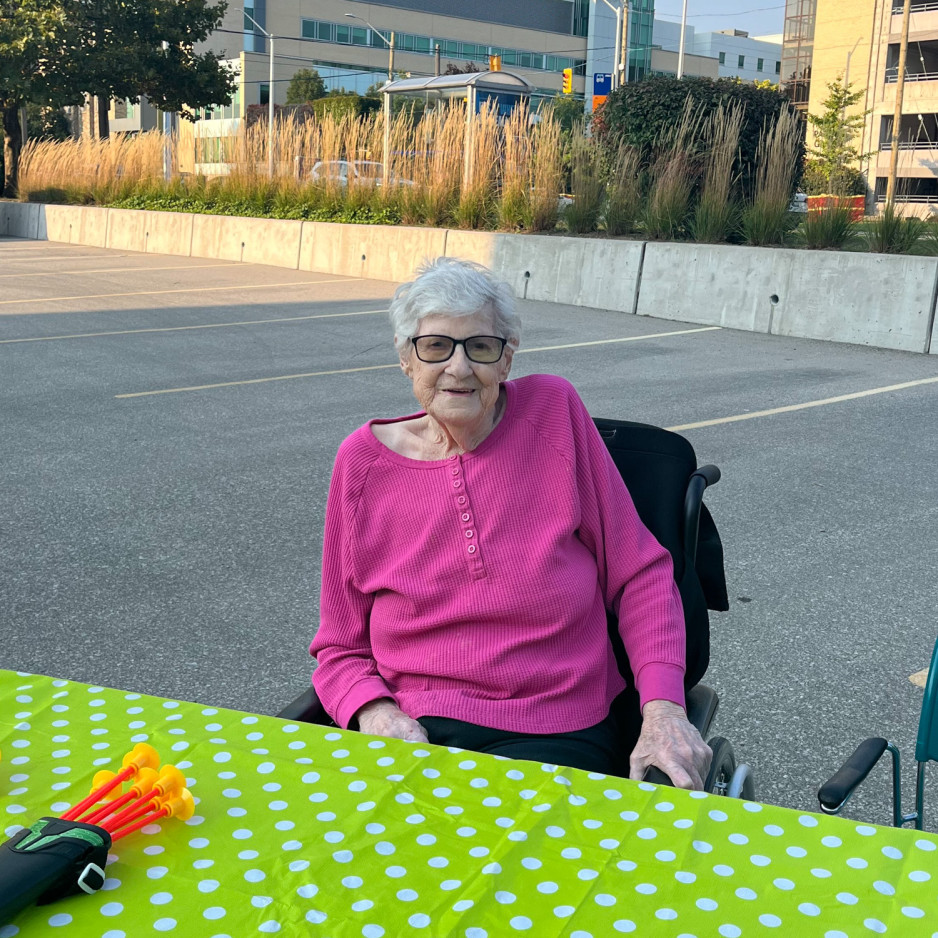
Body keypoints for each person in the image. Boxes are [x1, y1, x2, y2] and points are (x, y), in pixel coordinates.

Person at [310, 258, 712, 788]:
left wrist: (664, 711)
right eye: (435, 346)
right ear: (406, 359)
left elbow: (640, 574)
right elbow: (339, 646)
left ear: (507, 359)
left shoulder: (553, 414)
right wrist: (374, 712)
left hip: (557, 724)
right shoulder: (360, 463)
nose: (457, 368)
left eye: (480, 346)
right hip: (414, 727)